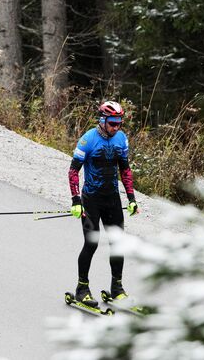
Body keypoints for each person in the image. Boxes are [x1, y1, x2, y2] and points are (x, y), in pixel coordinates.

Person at [68, 100, 139, 309]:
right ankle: (82, 289)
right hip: (91, 199)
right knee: (92, 243)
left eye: (119, 123)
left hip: (112, 200)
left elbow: (125, 170)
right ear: (102, 120)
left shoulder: (121, 139)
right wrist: (76, 201)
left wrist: (132, 198)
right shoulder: (87, 140)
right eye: (112, 123)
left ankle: (117, 289)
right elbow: (73, 171)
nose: (116, 127)